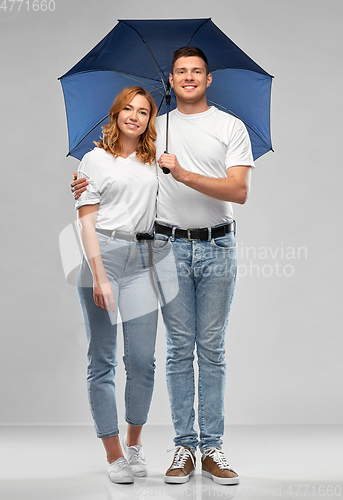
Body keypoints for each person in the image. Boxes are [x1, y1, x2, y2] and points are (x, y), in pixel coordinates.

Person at [71, 47, 254, 486]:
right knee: (168, 352)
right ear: (170, 81)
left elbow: (239, 191)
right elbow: (104, 191)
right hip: (161, 248)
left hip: (203, 248)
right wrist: (83, 184)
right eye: (180, 72)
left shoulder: (218, 130)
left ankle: (208, 447)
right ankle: (179, 447)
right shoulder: (149, 134)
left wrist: (184, 172)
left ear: (208, 79)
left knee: (198, 351)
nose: (188, 77)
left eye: (196, 71)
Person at [74, 86, 158, 484]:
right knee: (102, 360)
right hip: (101, 255)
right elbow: (86, 221)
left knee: (142, 361)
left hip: (143, 260)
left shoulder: (155, 160)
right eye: (128, 108)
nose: (135, 116)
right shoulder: (93, 159)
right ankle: (113, 454)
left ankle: (135, 444)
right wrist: (100, 278)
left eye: (143, 111)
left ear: (149, 120)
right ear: (115, 114)